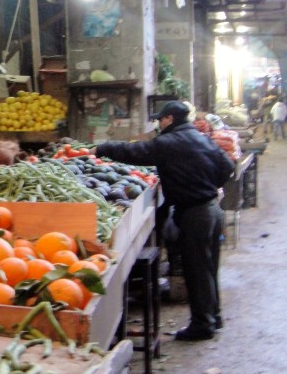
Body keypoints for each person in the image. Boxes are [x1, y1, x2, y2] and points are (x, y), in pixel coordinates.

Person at [90, 100, 235, 341]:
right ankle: (214, 316)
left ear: (169, 119)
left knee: (196, 270)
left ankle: (202, 326)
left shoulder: (168, 142)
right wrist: (208, 183)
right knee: (208, 267)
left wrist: (103, 148)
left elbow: (136, 152)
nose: (158, 124)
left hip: (195, 214)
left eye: (160, 120)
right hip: (212, 209)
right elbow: (227, 166)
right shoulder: (201, 138)